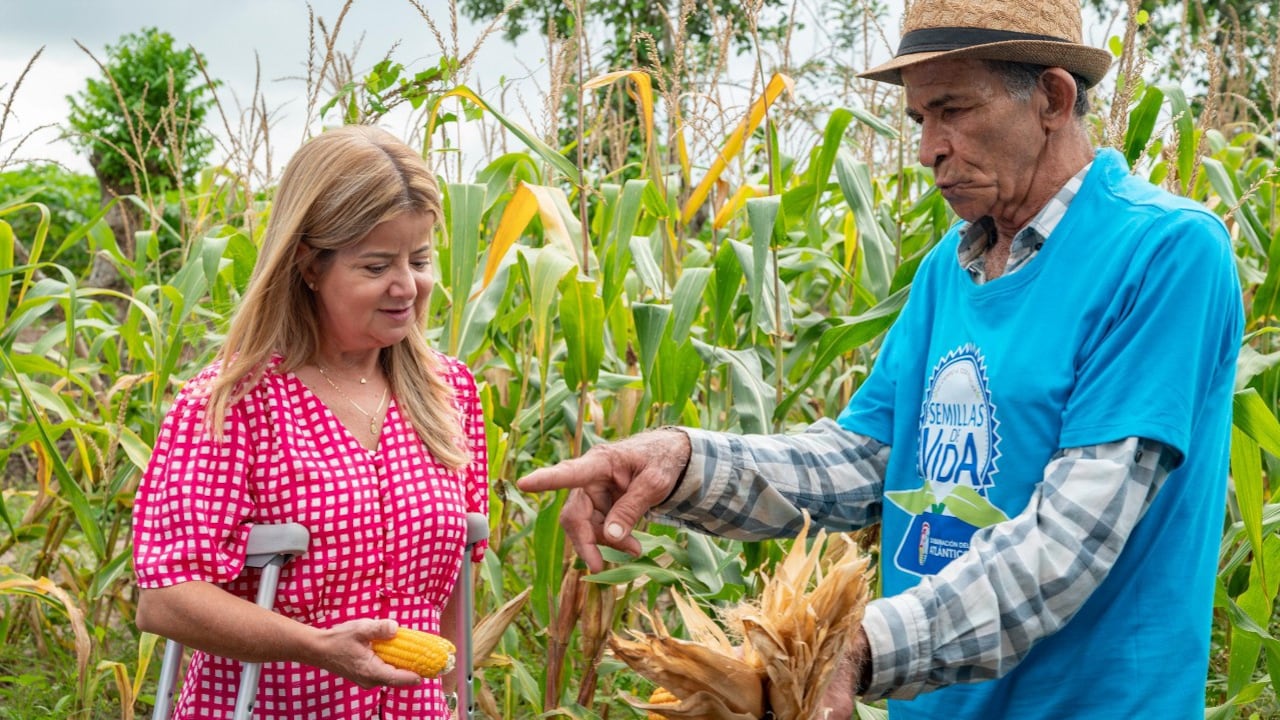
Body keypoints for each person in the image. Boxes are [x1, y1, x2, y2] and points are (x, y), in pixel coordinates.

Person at [517, 0, 1243, 717]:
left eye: (952, 110)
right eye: (919, 119)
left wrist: (861, 648)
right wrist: (679, 463)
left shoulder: (1164, 253)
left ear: (1051, 97)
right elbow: (869, 460)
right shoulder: (948, 270)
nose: (928, 148)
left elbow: (1072, 539)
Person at [132, 124, 488, 720]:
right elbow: (165, 599)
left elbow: (455, 576)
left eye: (420, 259)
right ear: (308, 265)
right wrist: (318, 647)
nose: (408, 286)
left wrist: (455, 688)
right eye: (377, 266)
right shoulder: (231, 404)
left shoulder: (449, 391)